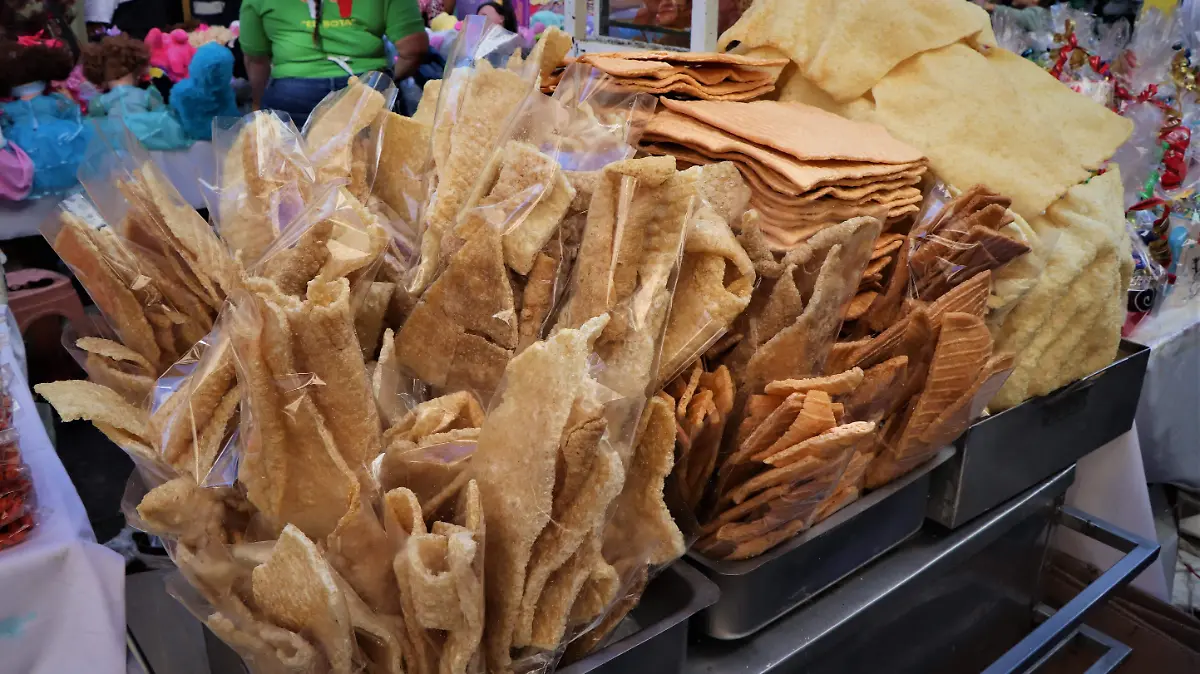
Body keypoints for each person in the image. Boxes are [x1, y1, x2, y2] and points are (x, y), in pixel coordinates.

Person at [239, 0, 429, 128]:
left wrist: (258, 102)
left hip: (292, 94)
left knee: (292, 180)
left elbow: (256, 60)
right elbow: (413, 50)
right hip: (367, 91)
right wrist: (385, 82)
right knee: (369, 179)